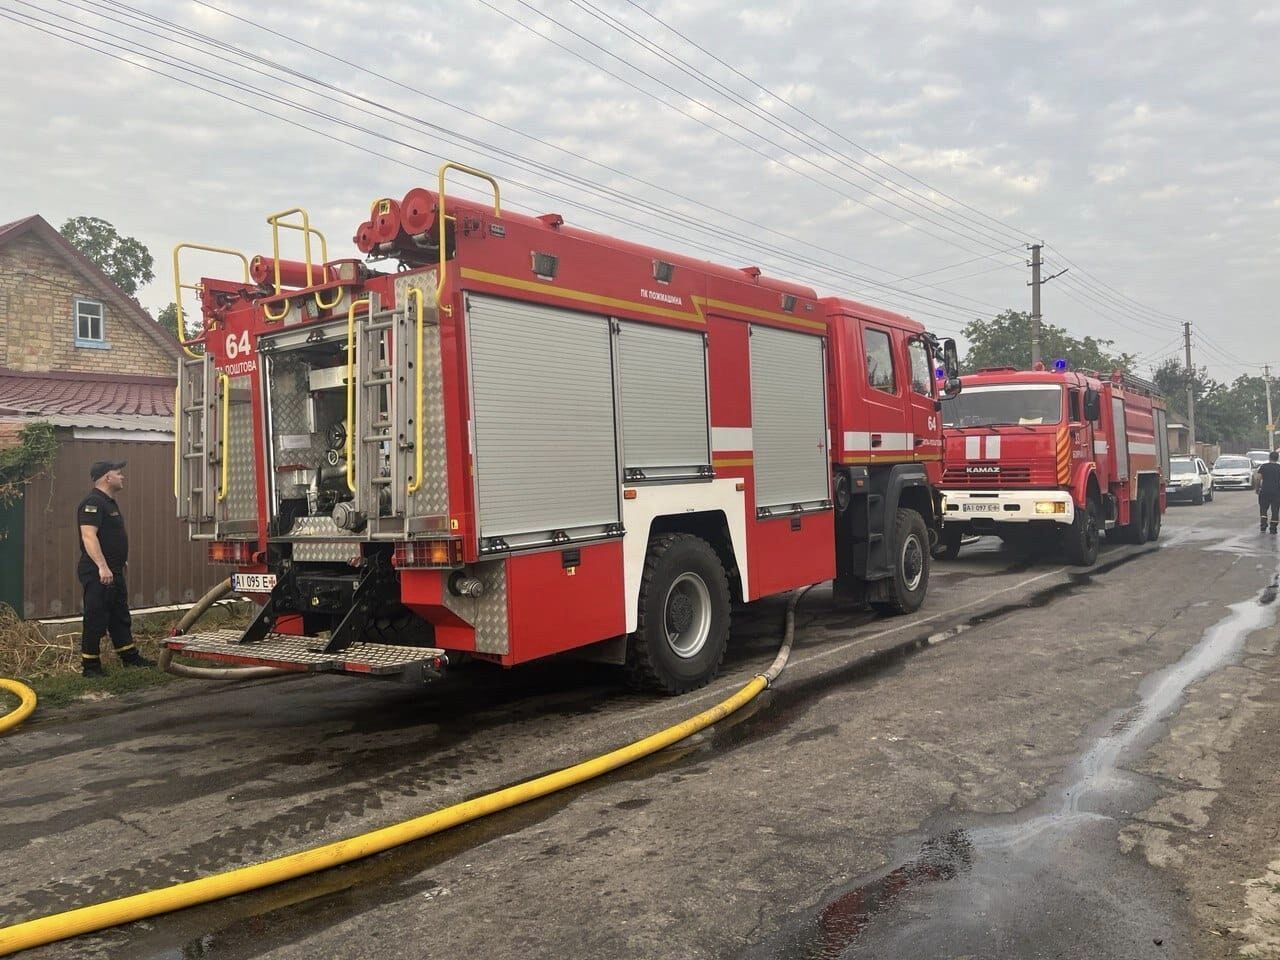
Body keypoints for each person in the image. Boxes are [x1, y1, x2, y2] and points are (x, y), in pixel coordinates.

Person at [77, 460, 154, 676]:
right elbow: (88, 536)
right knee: (96, 616)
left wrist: (120, 562)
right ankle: (91, 667)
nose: (123, 477)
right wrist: (102, 566)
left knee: (119, 614)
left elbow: (110, 537)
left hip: (114, 569)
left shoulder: (109, 502)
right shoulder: (92, 502)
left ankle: (129, 657)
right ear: (106, 477)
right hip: (98, 572)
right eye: (118, 473)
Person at [1256, 450, 1280, 535]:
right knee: (1275, 510)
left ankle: (1263, 525)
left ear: (1269, 457)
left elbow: (1258, 478)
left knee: (1263, 508)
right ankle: (1273, 528)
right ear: (1277, 458)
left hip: (1265, 491)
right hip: (1277, 492)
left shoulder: (1263, 466)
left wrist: (1257, 488)